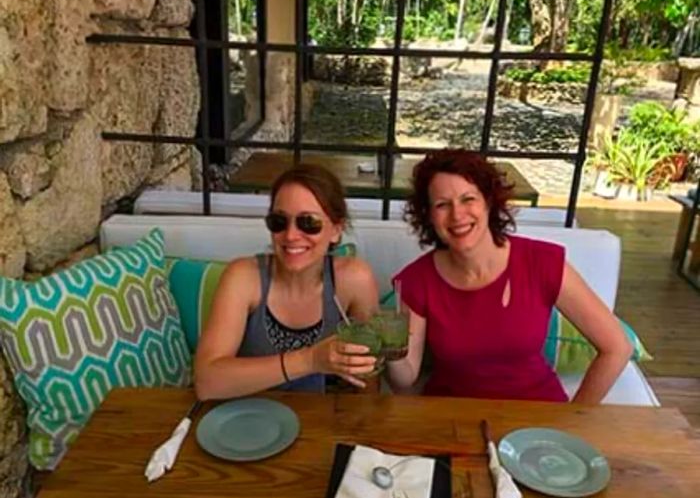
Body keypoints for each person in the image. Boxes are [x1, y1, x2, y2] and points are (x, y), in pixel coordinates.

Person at [386, 149, 632, 404]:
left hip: (537, 417)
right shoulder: (416, 280)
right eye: (442, 204)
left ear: (489, 202)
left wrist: (576, 418)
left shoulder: (542, 262)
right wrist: (389, 350)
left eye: (468, 199)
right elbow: (405, 378)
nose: (457, 215)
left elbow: (618, 347)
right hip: (453, 419)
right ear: (428, 215)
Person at [195, 164, 379, 399]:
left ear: (336, 230)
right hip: (249, 421)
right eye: (279, 222)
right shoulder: (244, 277)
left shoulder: (354, 280)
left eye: (308, 223)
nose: (291, 235)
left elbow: (369, 383)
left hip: (323, 423)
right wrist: (310, 360)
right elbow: (207, 382)